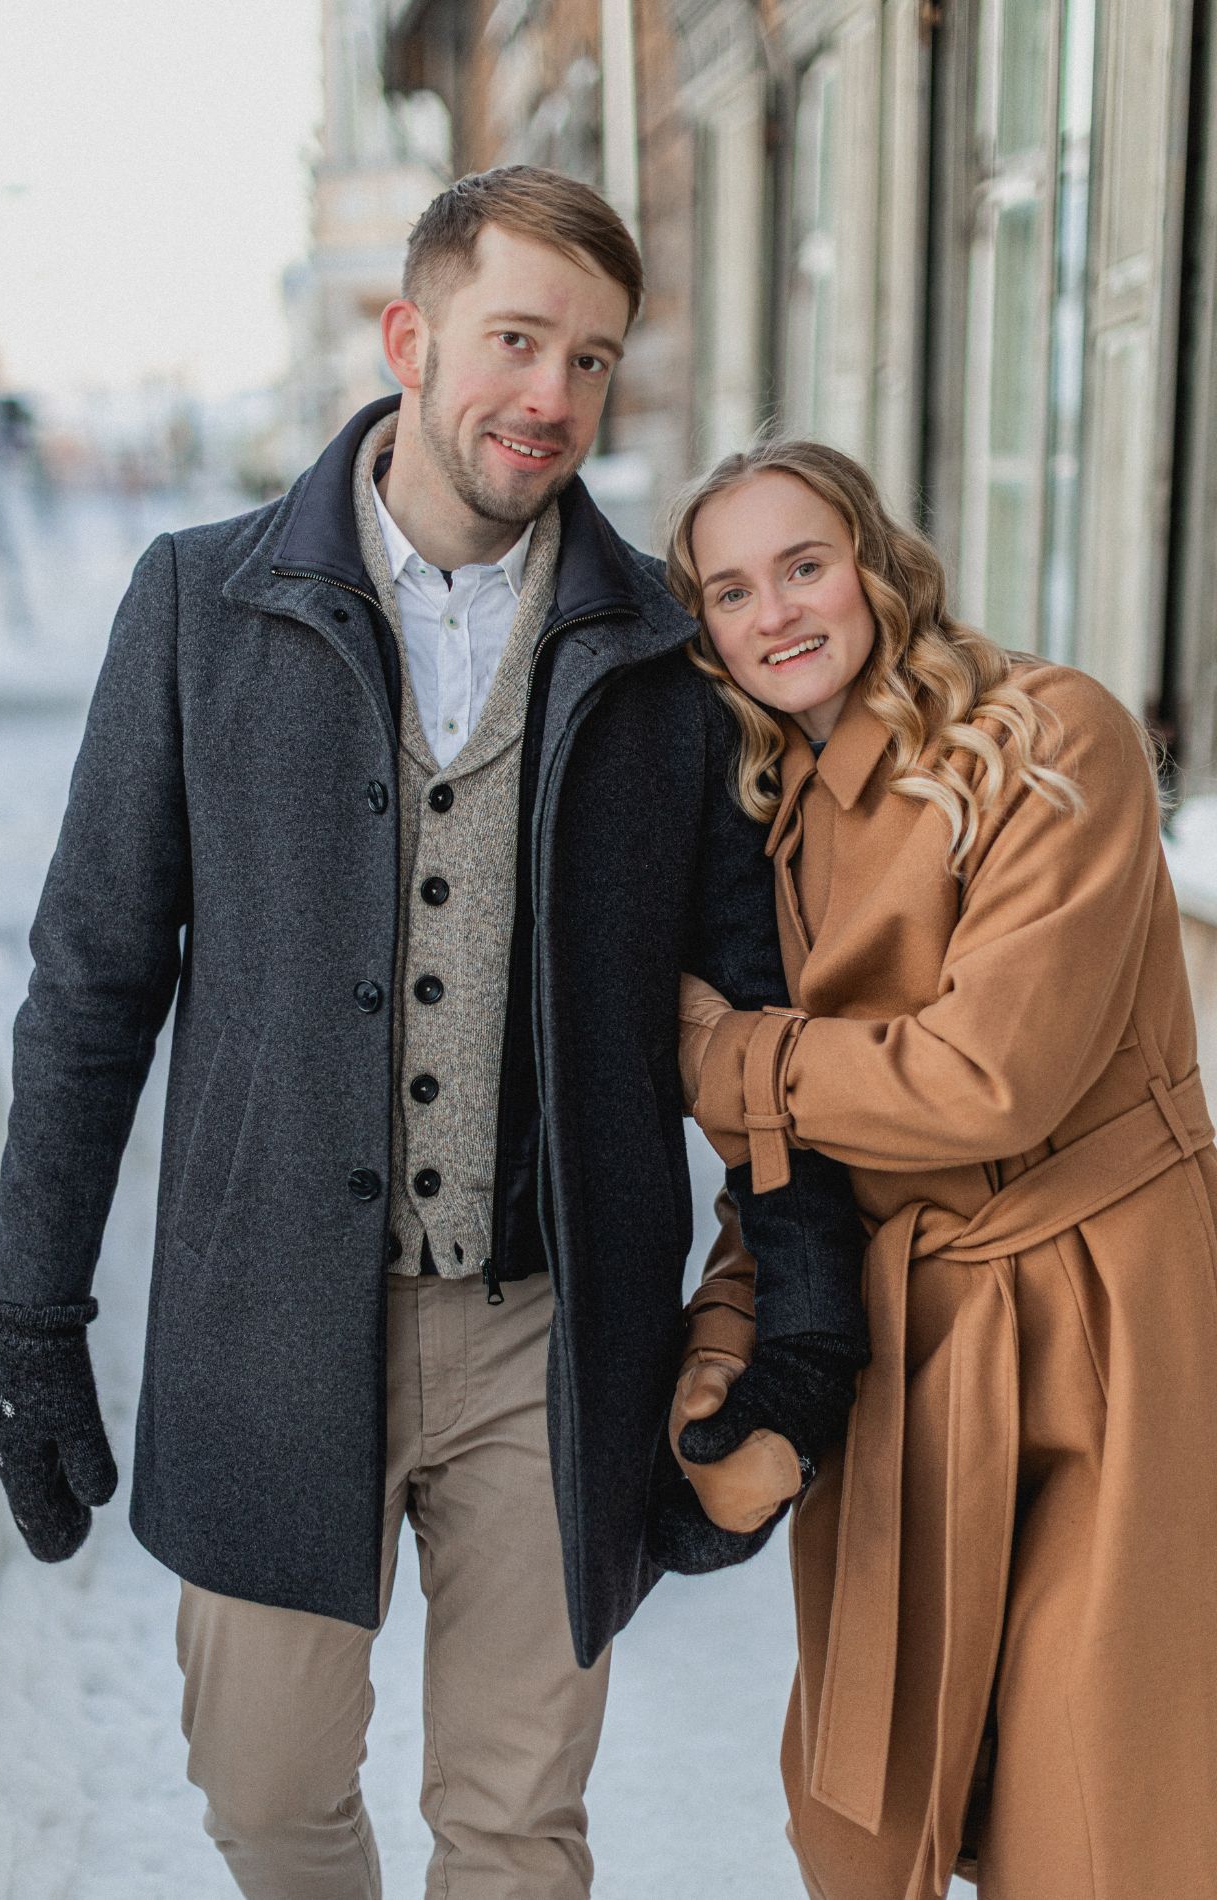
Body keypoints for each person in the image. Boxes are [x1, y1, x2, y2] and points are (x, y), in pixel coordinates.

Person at [0, 164, 870, 1899]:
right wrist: (33, 1313)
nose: (552, 396)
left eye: (594, 360)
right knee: (262, 1792)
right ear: (410, 337)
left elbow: (765, 1017)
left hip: (549, 1342)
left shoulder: (666, 663)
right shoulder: (195, 608)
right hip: (264, 1332)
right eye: (517, 340)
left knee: (518, 1826)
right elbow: (89, 989)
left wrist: (801, 1324)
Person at [664, 439, 1217, 1899]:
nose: (777, 611)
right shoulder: (761, 827)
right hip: (913, 1346)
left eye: (804, 564)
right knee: (869, 1820)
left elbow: (990, 1078)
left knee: (1094, 1805)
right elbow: (793, 1166)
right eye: (731, 590)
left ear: (874, 563)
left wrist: (724, 1057)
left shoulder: (1051, 735)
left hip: (1106, 1320)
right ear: (703, 630)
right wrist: (731, 1340)